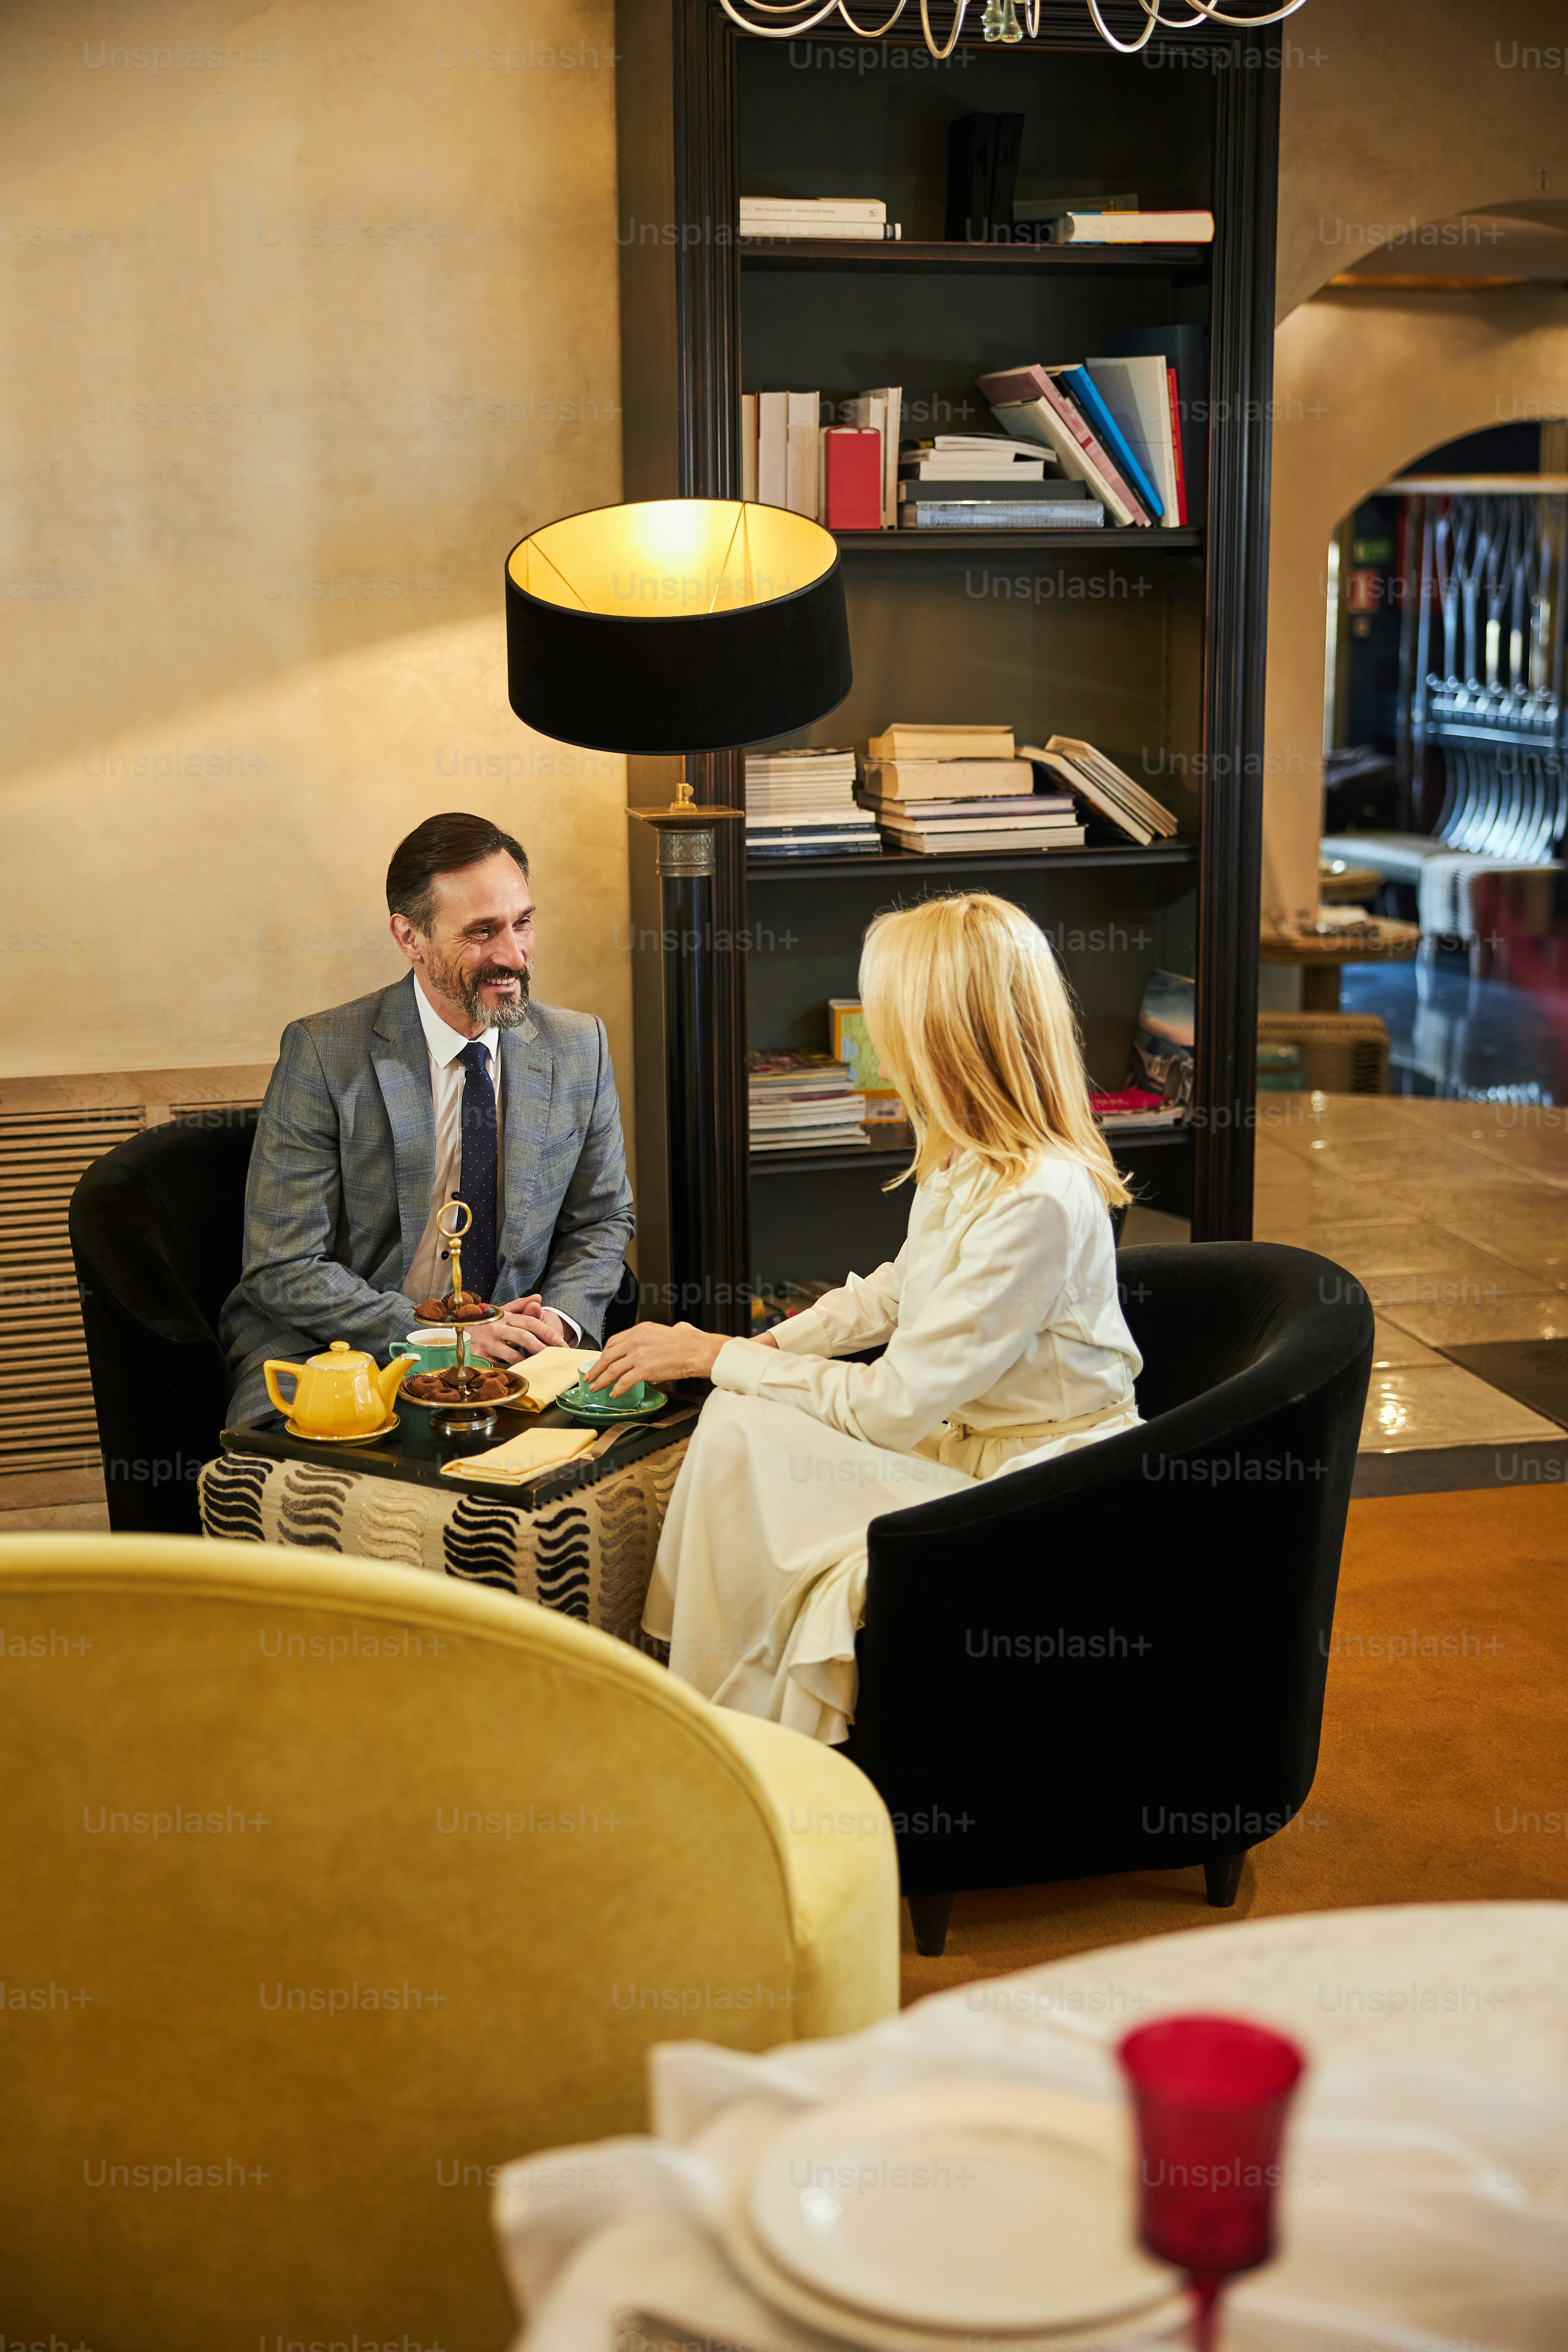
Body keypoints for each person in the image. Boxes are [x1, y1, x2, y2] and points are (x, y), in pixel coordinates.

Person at [588, 892, 1142, 1745]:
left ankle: (733, 1733)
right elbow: (896, 1289)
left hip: (1031, 1485)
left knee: (739, 1408)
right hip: (960, 1443)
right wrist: (759, 1346)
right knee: (739, 1420)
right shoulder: (968, 1156)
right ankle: (703, 1705)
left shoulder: (1038, 1199)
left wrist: (718, 1355)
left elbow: (892, 1405)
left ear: (944, 1033)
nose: (877, 1042)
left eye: (889, 1017)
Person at [222, 812, 633, 1422]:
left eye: (523, 923)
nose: (513, 955)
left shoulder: (580, 1047)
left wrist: (558, 1324)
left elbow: (602, 1219)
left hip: (516, 1354)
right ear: (409, 937)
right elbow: (283, 1265)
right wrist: (440, 1337)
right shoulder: (323, 1053)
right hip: (340, 1347)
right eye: (481, 932)